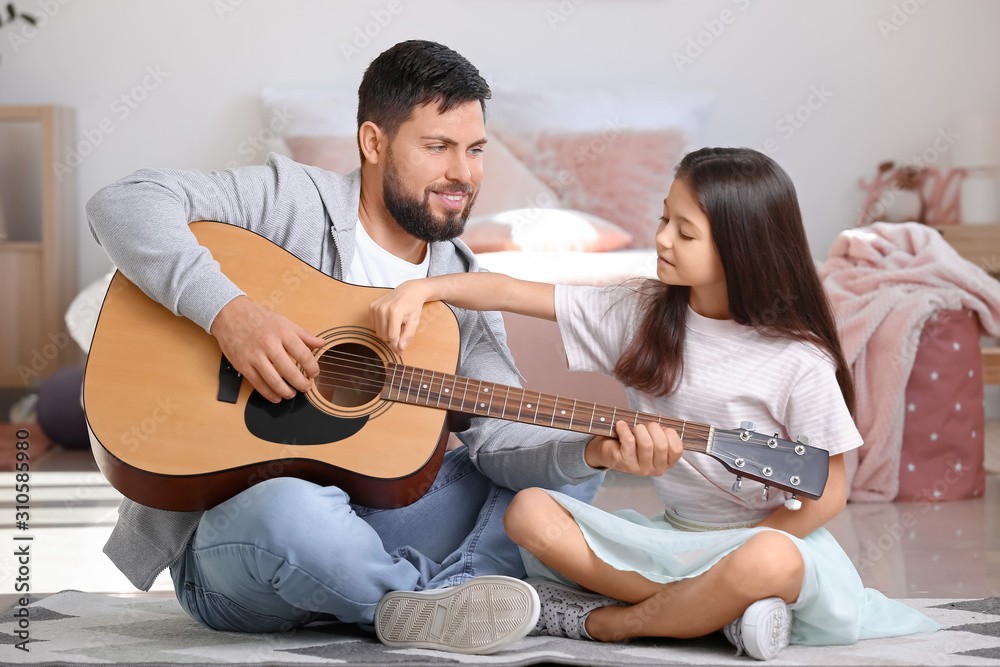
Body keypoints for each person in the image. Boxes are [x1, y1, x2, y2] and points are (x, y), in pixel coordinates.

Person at [84, 40, 605, 655]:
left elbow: (500, 444)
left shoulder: (461, 287)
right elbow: (123, 201)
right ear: (373, 143)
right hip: (243, 544)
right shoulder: (293, 202)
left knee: (569, 480)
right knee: (288, 507)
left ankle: (398, 600)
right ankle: (428, 596)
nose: (463, 174)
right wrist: (232, 314)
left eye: (475, 150)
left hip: (381, 523)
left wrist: (594, 449)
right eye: (438, 147)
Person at [370, 146, 941, 660]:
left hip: (760, 542)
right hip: (670, 536)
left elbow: (830, 490)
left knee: (770, 561)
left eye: (684, 232)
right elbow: (511, 291)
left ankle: (614, 624)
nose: (662, 239)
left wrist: (745, 555)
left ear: (743, 247)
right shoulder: (643, 315)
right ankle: (717, 614)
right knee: (530, 513)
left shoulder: (798, 361)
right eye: (665, 218)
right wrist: (425, 288)